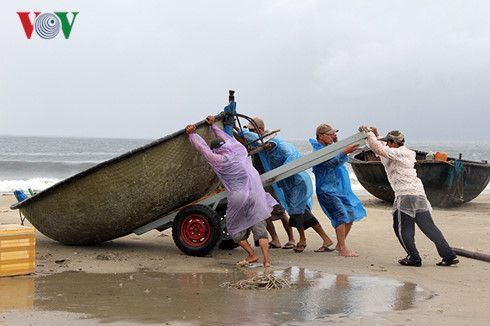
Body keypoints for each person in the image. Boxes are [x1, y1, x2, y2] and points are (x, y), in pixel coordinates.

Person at [185, 116, 277, 267]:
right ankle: (266, 261)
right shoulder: (238, 152)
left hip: (238, 195)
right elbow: (227, 139)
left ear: (215, 150)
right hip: (254, 191)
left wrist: (192, 135)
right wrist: (214, 127)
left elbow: (203, 149)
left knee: (233, 228)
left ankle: (252, 254)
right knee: (259, 227)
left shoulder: (217, 160)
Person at [361, 126, 459, 267]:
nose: (387, 144)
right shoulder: (407, 153)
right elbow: (382, 149)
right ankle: (448, 255)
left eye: (388, 142)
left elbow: (379, 150)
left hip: (405, 194)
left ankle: (413, 257)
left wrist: (368, 134)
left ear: (394, 143)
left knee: (401, 228)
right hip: (418, 194)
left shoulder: (395, 153)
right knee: (428, 227)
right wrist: (376, 136)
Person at [262, 133, 334, 253]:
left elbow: (292, 157)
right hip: (287, 185)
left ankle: (303, 240)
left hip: (297, 183)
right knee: (300, 211)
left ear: (272, 141)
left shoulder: (283, 146)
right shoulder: (269, 152)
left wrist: (278, 172)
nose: (266, 146)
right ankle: (323, 239)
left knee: (297, 211)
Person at [235, 118, 296, 250]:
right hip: (260, 181)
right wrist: (234, 128)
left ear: (260, 130)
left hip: (271, 181)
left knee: (280, 212)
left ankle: (292, 239)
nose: (249, 132)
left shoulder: (266, 141)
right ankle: (275, 239)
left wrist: (238, 129)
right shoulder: (255, 142)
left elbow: (246, 137)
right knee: (264, 212)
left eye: (251, 130)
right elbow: (244, 141)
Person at [310, 124, 366, 257]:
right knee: (340, 216)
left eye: (333, 134)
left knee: (350, 214)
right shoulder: (318, 152)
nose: (332, 136)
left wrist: (336, 143)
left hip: (338, 189)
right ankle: (343, 249)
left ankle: (340, 244)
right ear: (320, 136)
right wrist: (345, 152)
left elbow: (336, 155)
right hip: (326, 190)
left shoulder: (329, 148)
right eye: (329, 134)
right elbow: (332, 163)